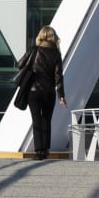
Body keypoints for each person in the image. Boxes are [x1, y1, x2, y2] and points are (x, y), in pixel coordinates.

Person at [18, 25, 66, 160]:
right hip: (49, 93)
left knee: (36, 120)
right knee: (46, 120)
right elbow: (58, 76)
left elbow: (20, 64)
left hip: (33, 92)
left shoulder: (34, 50)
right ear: (53, 37)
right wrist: (61, 95)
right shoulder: (56, 54)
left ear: (41, 36)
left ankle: (38, 151)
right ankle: (45, 150)